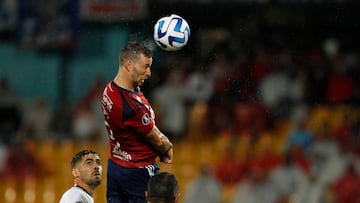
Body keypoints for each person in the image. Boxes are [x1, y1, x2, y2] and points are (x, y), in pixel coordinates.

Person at [101, 42, 174, 203]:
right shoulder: (131, 107)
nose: (149, 73)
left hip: (115, 165)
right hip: (138, 171)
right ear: (128, 65)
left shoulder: (109, 90)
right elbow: (158, 140)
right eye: (145, 66)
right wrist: (168, 147)